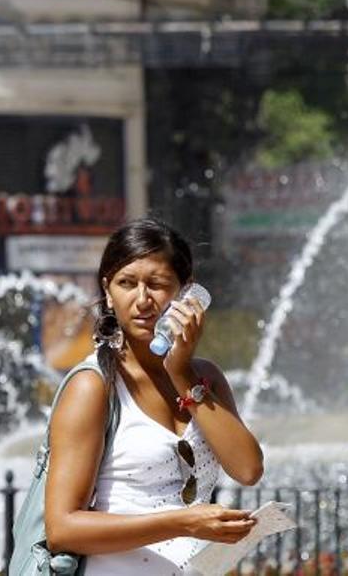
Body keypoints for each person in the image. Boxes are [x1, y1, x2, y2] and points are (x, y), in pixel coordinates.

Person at [43, 217, 265, 575]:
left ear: (186, 292)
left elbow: (248, 469)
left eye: (158, 284)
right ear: (108, 292)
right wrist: (183, 523)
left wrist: (181, 372)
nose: (142, 300)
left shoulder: (204, 377)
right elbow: (62, 529)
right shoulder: (93, 385)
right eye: (126, 284)